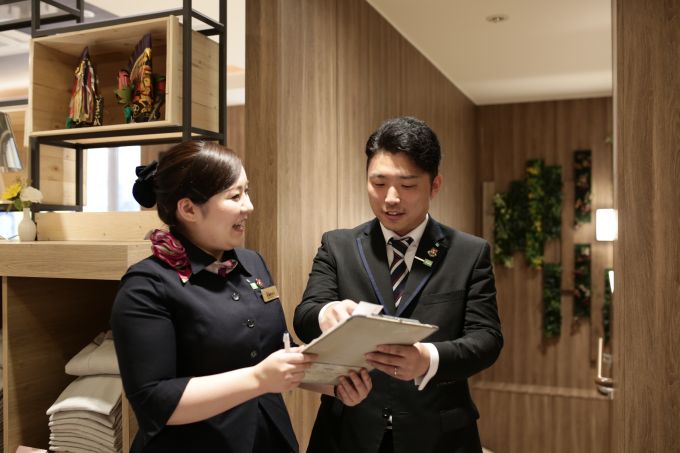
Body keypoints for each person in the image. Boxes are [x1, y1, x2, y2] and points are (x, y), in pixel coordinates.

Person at [111, 141, 371, 453]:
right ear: (188, 209)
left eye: (246, 192)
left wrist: (335, 382)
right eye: (235, 196)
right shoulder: (146, 286)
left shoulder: (251, 263)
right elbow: (155, 400)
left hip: (270, 438)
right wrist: (258, 379)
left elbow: (277, 349)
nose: (248, 206)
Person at [293, 117, 503, 453]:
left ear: (435, 185)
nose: (391, 198)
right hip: (348, 430)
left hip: (438, 435)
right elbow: (305, 316)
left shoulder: (468, 253)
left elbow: (487, 339)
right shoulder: (338, 245)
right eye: (378, 183)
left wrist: (427, 358)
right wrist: (327, 312)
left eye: (407, 186)